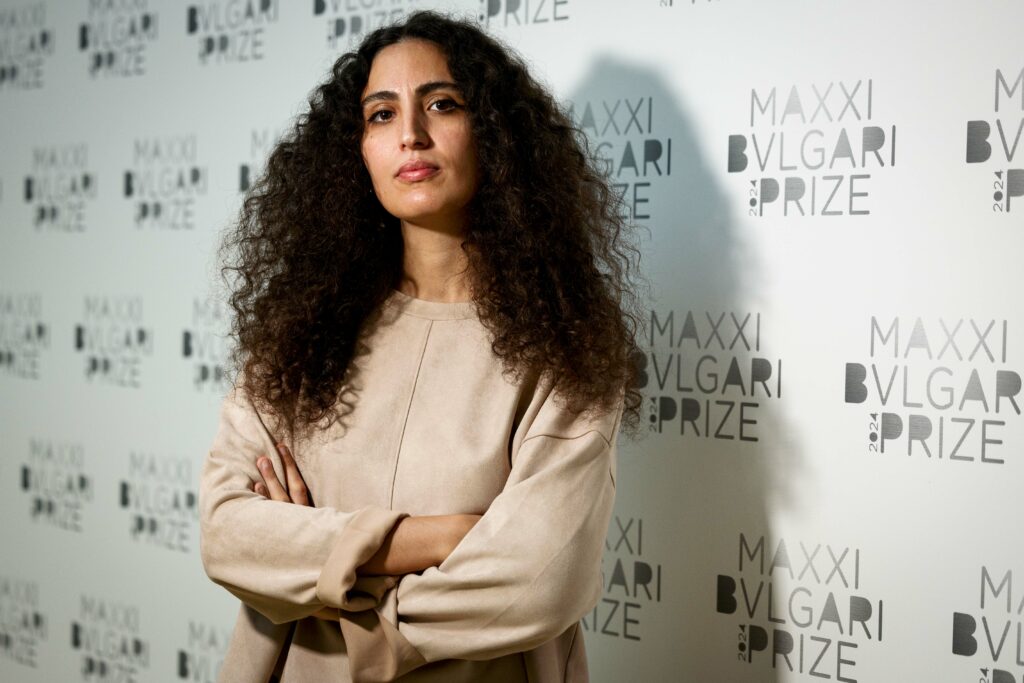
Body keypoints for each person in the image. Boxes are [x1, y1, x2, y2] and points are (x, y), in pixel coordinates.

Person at [200, 9, 646, 682]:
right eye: (381, 115)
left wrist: (317, 563)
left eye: (442, 104)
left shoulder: (565, 341)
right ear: (356, 150)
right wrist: (440, 537)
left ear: (494, 132)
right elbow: (228, 532)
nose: (410, 133)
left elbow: (535, 580)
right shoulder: (301, 331)